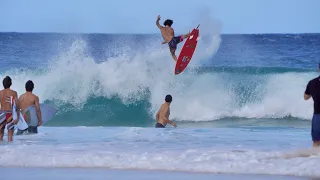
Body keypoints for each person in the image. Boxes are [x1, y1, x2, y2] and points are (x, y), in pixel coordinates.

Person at [304, 63, 320, 147]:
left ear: (319, 68)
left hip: (317, 115)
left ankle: (313, 159)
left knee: (316, 141)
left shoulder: (312, 83)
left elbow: (306, 97)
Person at [0, 76, 20, 142]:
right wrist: (18, 117)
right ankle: (10, 150)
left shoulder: (0, 93)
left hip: (1, 113)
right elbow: (17, 106)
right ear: (10, 83)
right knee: (10, 137)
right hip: (10, 114)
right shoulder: (14, 93)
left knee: (0, 135)